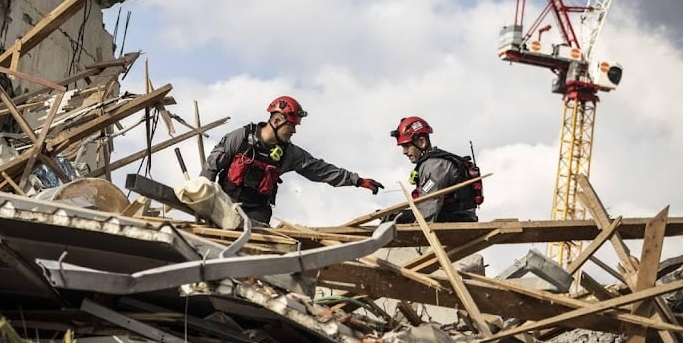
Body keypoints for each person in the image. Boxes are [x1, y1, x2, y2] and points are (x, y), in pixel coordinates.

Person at [201, 96, 384, 225]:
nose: (294, 131)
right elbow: (212, 166)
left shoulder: (289, 153)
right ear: (278, 120)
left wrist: (357, 180)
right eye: (292, 126)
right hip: (224, 207)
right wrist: (202, 199)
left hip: (257, 216)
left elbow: (319, 169)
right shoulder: (240, 138)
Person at [391, 116, 480, 224]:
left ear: (422, 142)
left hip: (458, 219)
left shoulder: (435, 166)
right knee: (396, 217)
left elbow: (429, 205)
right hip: (450, 215)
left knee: (396, 220)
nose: (404, 152)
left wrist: (415, 230)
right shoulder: (431, 163)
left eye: (406, 146)